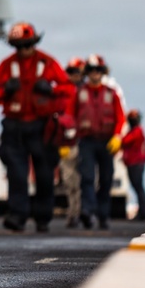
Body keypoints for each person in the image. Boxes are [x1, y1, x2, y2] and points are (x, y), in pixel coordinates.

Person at [0, 22, 74, 233]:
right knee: (17, 174)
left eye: (26, 45)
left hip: (42, 127)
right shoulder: (7, 66)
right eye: (18, 46)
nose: (23, 51)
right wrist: (6, 90)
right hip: (14, 127)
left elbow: (68, 89)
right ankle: (17, 216)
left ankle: (43, 217)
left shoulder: (47, 62)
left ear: (34, 43)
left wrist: (50, 88)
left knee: (45, 174)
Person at [70, 54, 125, 230]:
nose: (95, 74)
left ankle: (103, 215)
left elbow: (120, 117)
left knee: (106, 179)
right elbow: (70, 116)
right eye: (92, 70)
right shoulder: (79, 93)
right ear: (87, 73)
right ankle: (87, 211)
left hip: (106, 143)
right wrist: (68, 138)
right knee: (87, 177)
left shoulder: (112, 94)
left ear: (103, 72)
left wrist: (117, 136)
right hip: (86, 141)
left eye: (98, 70)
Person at [59, 56, 86, 228]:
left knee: (87, 179)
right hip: (68, 142)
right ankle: (73, 212)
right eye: (71, 72)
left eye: (78, 72)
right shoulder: (62, 91)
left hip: (87, 141)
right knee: (70, 181)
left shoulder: (89, 91)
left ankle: (85, 211)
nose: (74, 76)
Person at [121, 109, 145, 221]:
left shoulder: (137, 131)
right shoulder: (134, 130)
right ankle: (142, 211)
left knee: (138, 187)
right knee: (137, 187)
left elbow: (126, 141)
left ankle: (143, 212)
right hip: (133, 162)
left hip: (136, 163)